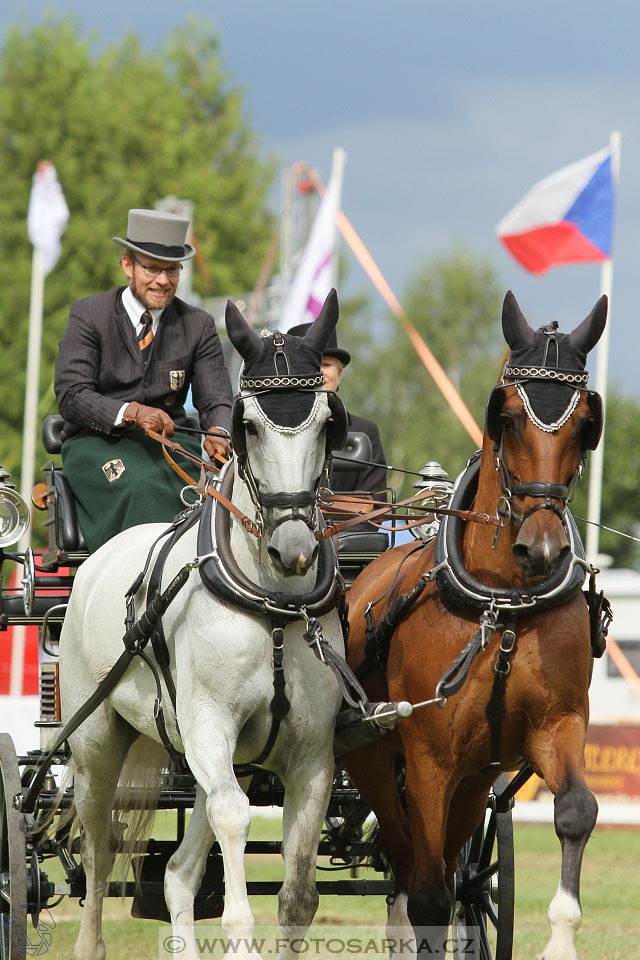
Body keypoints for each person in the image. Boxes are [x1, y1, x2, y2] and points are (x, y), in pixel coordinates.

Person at [54, 208, 233, 552]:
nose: (162, 280)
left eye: (171, 269)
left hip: (171, 443)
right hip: (95, 442)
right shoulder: (89, 314)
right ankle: (135, 593)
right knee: (141, 488)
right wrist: (133, 412)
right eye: (151, 267)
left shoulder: (198, 324)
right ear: (127, 266)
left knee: (219, 492)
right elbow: (72, 395)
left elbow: (217, 400)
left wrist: (219, 432)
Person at [287, 322, 388, 520]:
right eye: (310, 364)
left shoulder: (366, 431)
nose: (318, 372)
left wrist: (333, 540)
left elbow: (375, 509)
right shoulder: (275, 432)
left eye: (325, 365)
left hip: (346, 544)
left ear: (339, 374)